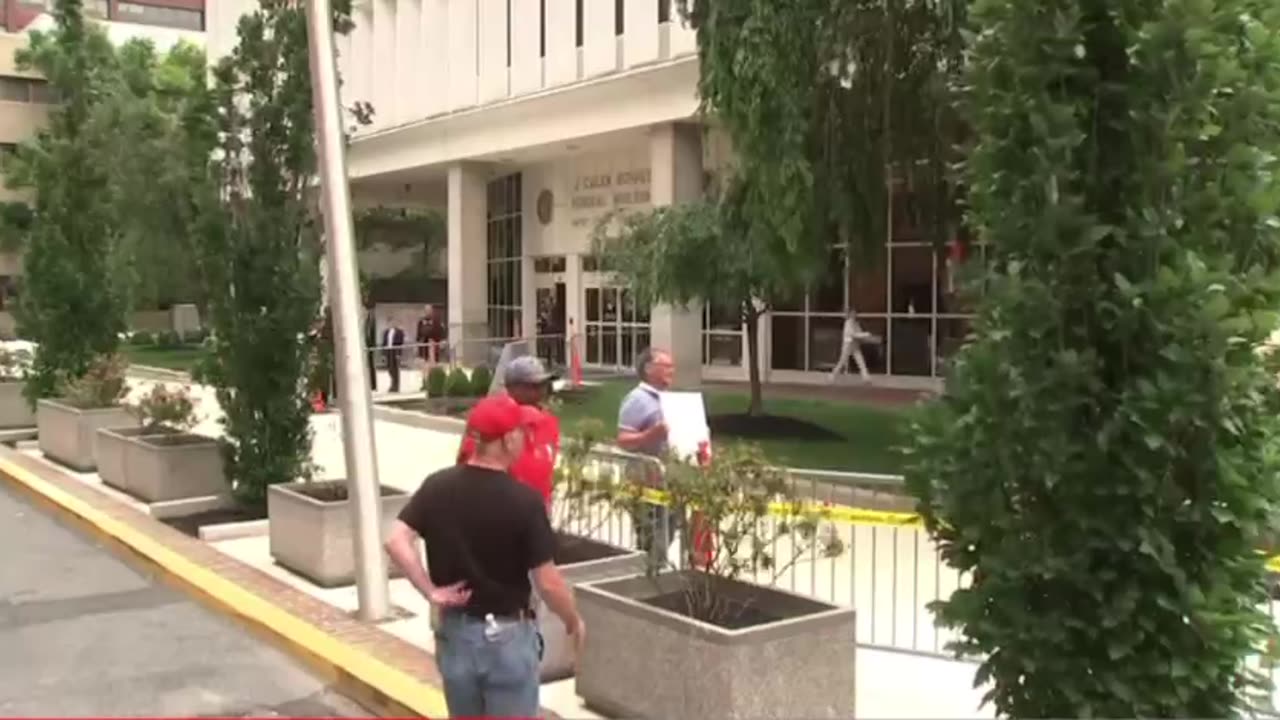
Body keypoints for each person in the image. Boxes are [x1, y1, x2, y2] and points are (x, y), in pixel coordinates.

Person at [385, 395, 585, 719]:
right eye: (521, 431)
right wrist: (573, 621)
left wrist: (430, 591)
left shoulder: (437, 486)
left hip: (455, 635)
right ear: (508, 440)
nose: (525, 437)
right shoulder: (524, 501)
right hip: (507, 639)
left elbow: (396, 540)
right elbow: (547, 582)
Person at [456, 355, 559, 508]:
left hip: (537, 508)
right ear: (512, 388)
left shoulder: (548, 422)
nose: (541, 391)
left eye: (543, 385)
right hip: (498, 508)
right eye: (532, 386)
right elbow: (467, 465)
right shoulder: (488, 418)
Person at [616, 347, 677, 566]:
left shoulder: (669, 399)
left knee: (668, 533)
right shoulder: (637, 400)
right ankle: (648, 577)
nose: (672, 370)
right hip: (646, 482)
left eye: (672, 366)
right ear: (649, 369)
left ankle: (654, 571)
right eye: (667, 366)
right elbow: (623, 440)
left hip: (670, 482)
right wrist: (651, 435)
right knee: (652, 539)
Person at [829, 307, 875, 383]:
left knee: (860, 361)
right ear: (850, 314)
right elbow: (852, 334)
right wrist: (865, 334)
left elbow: (859, 333)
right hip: (848, 346)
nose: (854, 314)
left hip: (855, 345)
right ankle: (832, 375)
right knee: (842, 362)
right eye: (852, 313)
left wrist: (866, 337)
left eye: (855, 313)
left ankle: (866, 377)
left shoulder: (856, 323)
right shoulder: (848, 323)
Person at [382, 320, 406, 393]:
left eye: (393, 322)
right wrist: (383, 354)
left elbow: (400, 343)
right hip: (388, 351)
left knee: (395, 369)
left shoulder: (399, 332)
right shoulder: (386, 332)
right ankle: (392, 384)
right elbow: (384, 343)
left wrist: (399, 354)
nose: (391, 324)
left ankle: (396, 386)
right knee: (389, 368)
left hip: (395, 351)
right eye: (390, 322)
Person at [363, 302, 378, 391]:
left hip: (370, 346)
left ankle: (373, 385)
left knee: (371, 365)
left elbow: (371, 333)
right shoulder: (366, 320)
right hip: (366, 345)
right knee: (367, 365)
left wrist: (372, 345)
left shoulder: (371, 319)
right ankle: (369, 384)